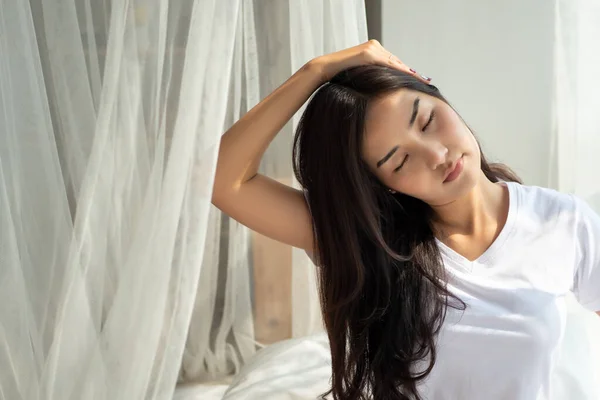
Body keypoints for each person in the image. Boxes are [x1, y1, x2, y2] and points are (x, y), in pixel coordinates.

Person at [211, 40, 600, 400]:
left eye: (427, 121)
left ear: (437, 95)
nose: (436, 155)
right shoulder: (374, 241)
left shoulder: (562, 222)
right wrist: (315, 71)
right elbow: (223, 181)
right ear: (385, 185)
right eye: (400, 161)